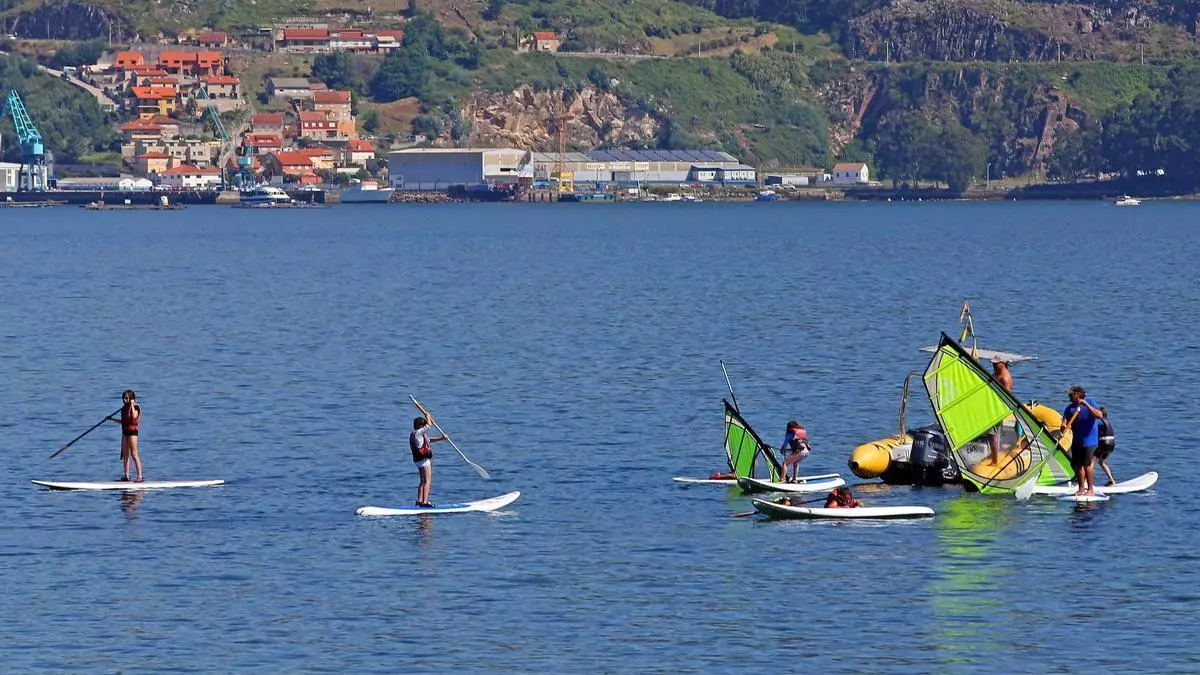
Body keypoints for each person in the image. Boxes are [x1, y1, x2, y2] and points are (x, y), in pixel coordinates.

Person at [1062, 385, 1104, 496]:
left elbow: (1099, 415)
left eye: (1071, 394)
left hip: (1090, 441)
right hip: (1077, 441)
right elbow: (1064, 422)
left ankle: (1090, 490)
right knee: (1077, 465)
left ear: (1078, 394)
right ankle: (1081, 488)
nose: (1069, 396)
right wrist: (1063, 426)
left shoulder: (1090, 402)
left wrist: (1086, 405)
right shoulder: (1069, 408)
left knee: (1087, 464)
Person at [409, 416, 447, 507]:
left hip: (418, 461)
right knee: (427, 481)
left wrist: (442, 438)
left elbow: (429, 440)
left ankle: (419, 500)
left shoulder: (415, 434)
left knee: (422, 481)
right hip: (424, 460)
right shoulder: (418, 433)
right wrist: (428, 416)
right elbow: (429, 425)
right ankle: (425, 502)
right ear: (421, 426)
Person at [108, 390, 142, 482]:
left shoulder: (136, 407)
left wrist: (131, 404)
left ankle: (140, 477)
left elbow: (134, 416)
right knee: (125, 455)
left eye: (127, 398)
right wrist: (111, 419)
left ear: (131, 398)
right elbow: (123, 422)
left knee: (134, 454)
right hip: (125, 433)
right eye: (123, 398)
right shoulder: (124, 408)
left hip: (132, 433)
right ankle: (126, 476)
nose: (124, 400)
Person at [1095, 407, 1117, 486]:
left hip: (1104, 443)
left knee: (1090, 463)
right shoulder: (1107, 421)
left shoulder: (1099, 421)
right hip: (1111, 444)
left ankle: (1086, 483)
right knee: (1101, 462)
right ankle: (1112, 480)